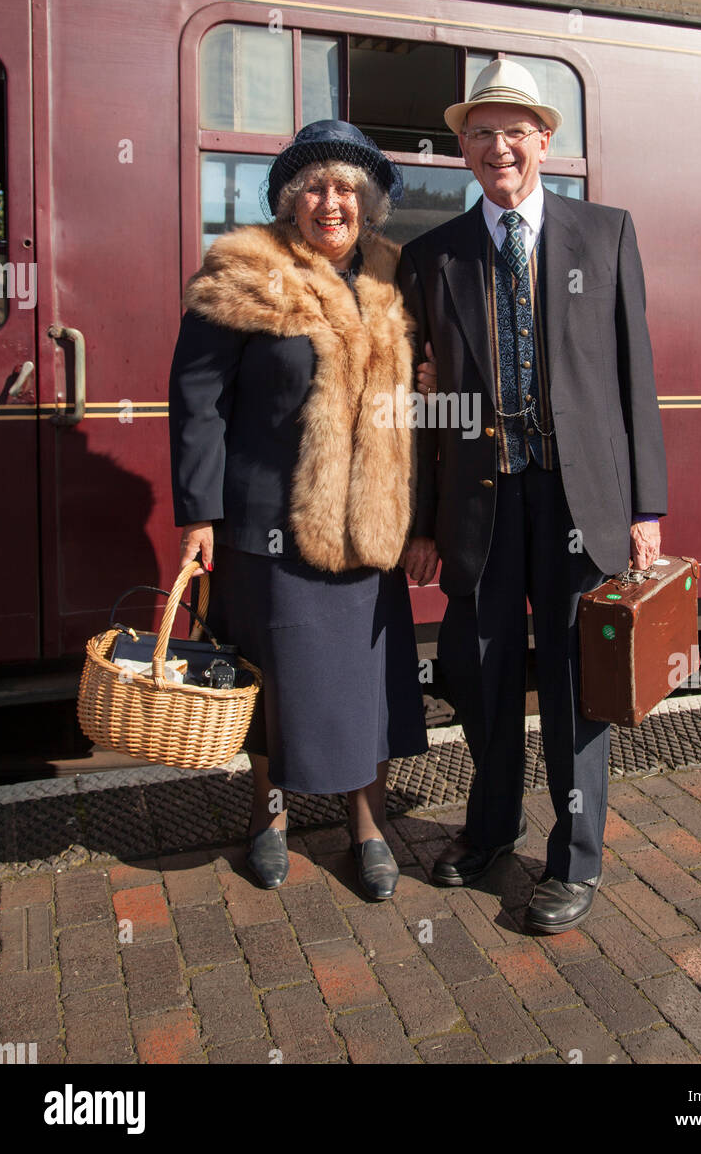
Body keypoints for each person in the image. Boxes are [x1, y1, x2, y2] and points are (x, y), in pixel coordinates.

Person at [399, 59, 667, 933]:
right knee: (479, 677)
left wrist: (646, 509)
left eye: (516, 130)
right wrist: (422, 521)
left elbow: (636, 380)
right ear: (463, 150)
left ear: (545, 141)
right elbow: (424, 408)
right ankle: (491, 828)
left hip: (577, 500)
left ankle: (575, 857)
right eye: (481, 133)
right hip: (478, 502)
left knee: (574, 684)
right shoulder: (432, 257)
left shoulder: (606, 233)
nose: (499, 147)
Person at [169, 120, 427, 900]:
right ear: (289, 199)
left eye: (347, 188)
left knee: (365, 684)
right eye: (314, 185)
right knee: (271, 680)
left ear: (369, 203)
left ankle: (368, 826)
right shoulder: (244, 271)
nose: (330, 201)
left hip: (369, 523)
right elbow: (196, 401)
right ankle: (269, 818)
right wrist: (198, 515)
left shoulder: (391, 278)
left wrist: (427, 519)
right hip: (268, 524)